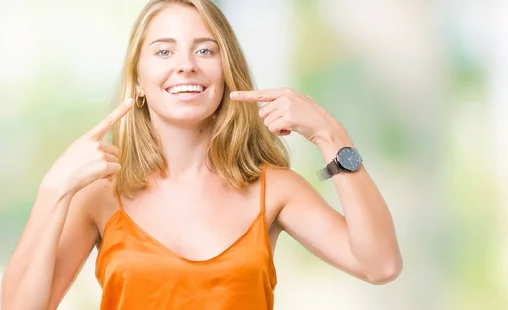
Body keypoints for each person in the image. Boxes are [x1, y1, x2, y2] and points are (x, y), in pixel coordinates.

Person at [0, 0, 402, 309]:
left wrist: (331, 136)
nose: (186, 66)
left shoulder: (274, 189)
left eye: (205, 51)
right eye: (163, 52)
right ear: (137, 81)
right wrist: (54, 189)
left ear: (226, 73)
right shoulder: (102, 193)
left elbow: (380, 265)